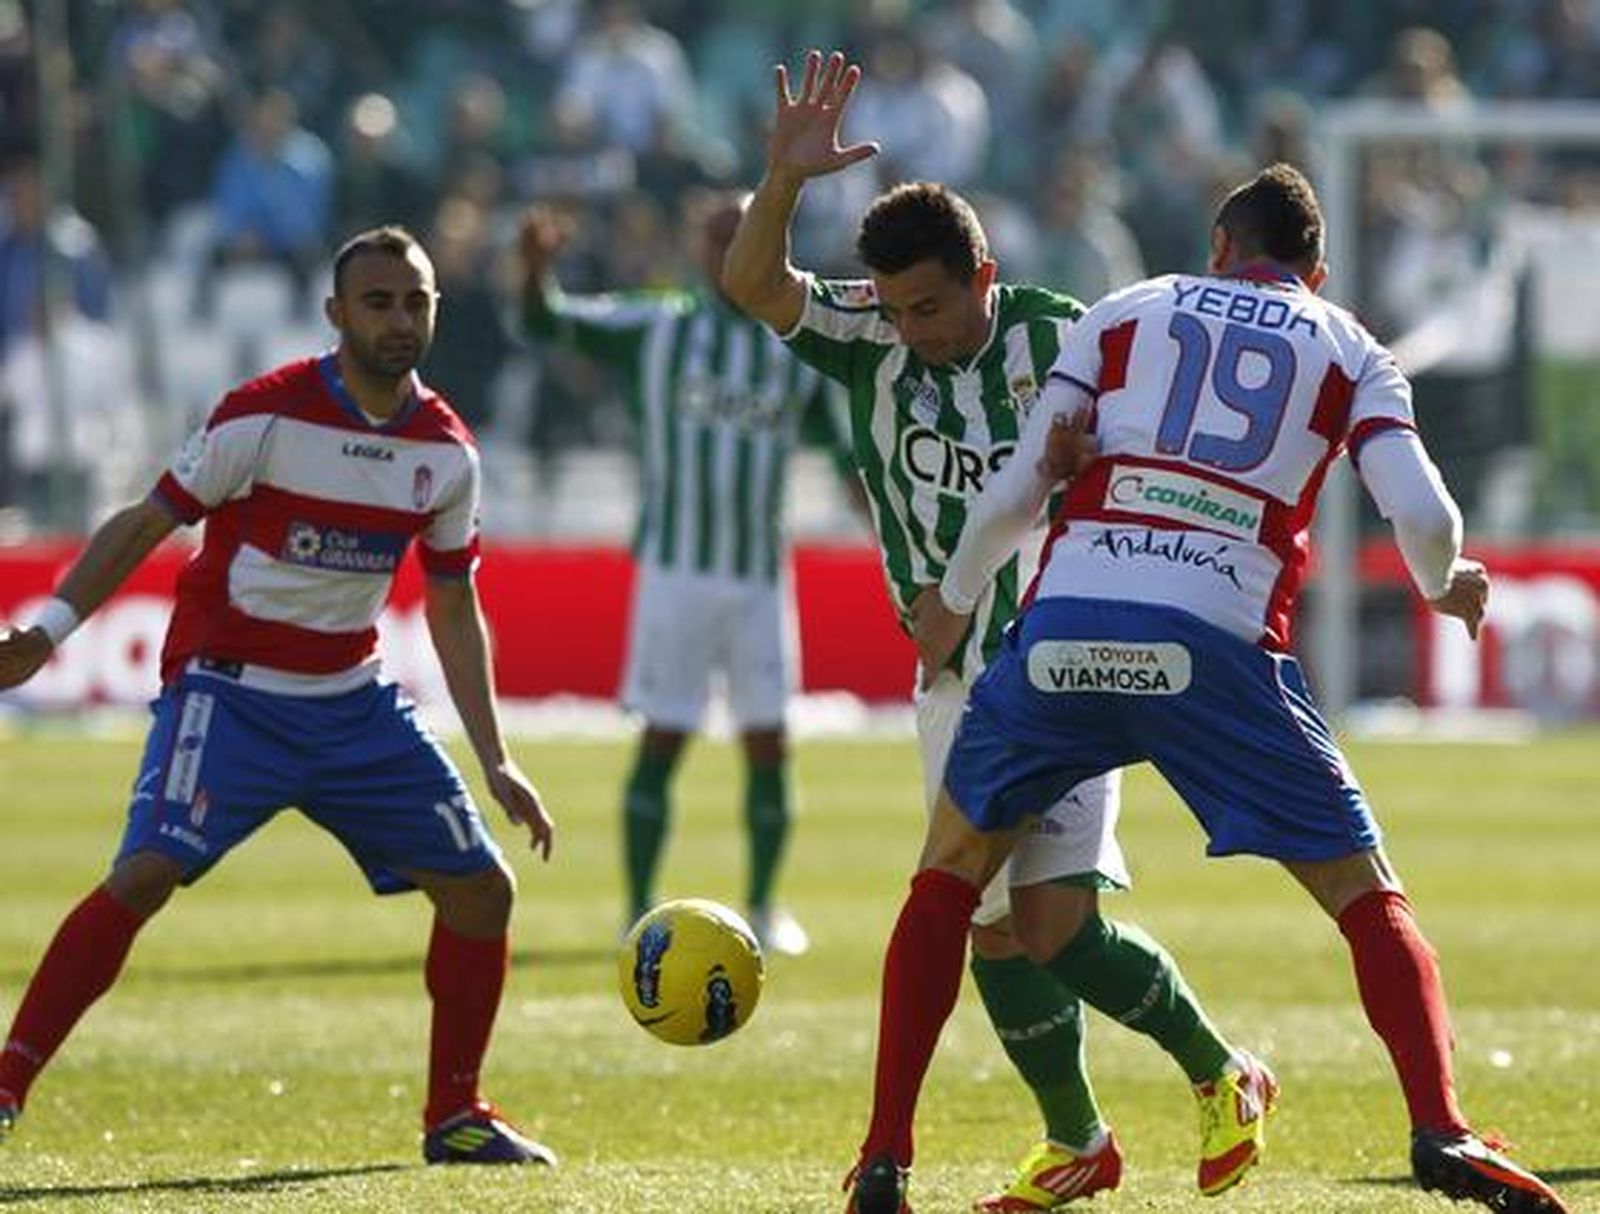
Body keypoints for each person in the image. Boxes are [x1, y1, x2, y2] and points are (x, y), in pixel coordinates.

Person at [891, 163, 1570, 1214]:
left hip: (1065, 627)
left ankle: (885, 1157)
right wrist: (1446, 583)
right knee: (1364, 894)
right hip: (1212, 637)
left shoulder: (1124, 311)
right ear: (1316, 270)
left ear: (1216, 245)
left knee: (946, 879)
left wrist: (952, 596)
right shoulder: (1349, 345)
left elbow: (1025, 477)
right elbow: (1422, 513)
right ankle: (1438, 1127)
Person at [722, 50, 1272, 1213]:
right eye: (899, 306)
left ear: (983, 273)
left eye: (932, 304)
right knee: (1006, 934)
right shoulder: (867, 333)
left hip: (1065, 660)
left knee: (1034, 917)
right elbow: (752, 285)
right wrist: (780, 183)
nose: (915, 328)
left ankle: (1209, 1076)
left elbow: (1159, 453)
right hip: (947, 677)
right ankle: (1088, 1132)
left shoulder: (1062, 339)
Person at [0, 226, 560, 1167]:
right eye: (377, 302)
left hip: (351, 699)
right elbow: (146, 524)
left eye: (415, 301)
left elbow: (454, 604)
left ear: (435, 310)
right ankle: (7, 1083)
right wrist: (47, 632)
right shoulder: (264, 416)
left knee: (480, 891)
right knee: (143, 875)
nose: (398, 319)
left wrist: (496, 755)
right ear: (336, 314)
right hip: (230, 695)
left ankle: (454, 1115)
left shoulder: (447, 452)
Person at [516, 188, 854, 956]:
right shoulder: (658, 325)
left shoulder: (792, 345)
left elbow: (839, 452)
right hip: (676, 571)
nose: (728, 248)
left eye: (742, 234)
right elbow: (548, 322)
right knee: (664, 735)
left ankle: (765, 907)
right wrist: (534, 273)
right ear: (698, 249)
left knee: (769, 740)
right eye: (716, 235)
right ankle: (637, 906)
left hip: (761, 575)